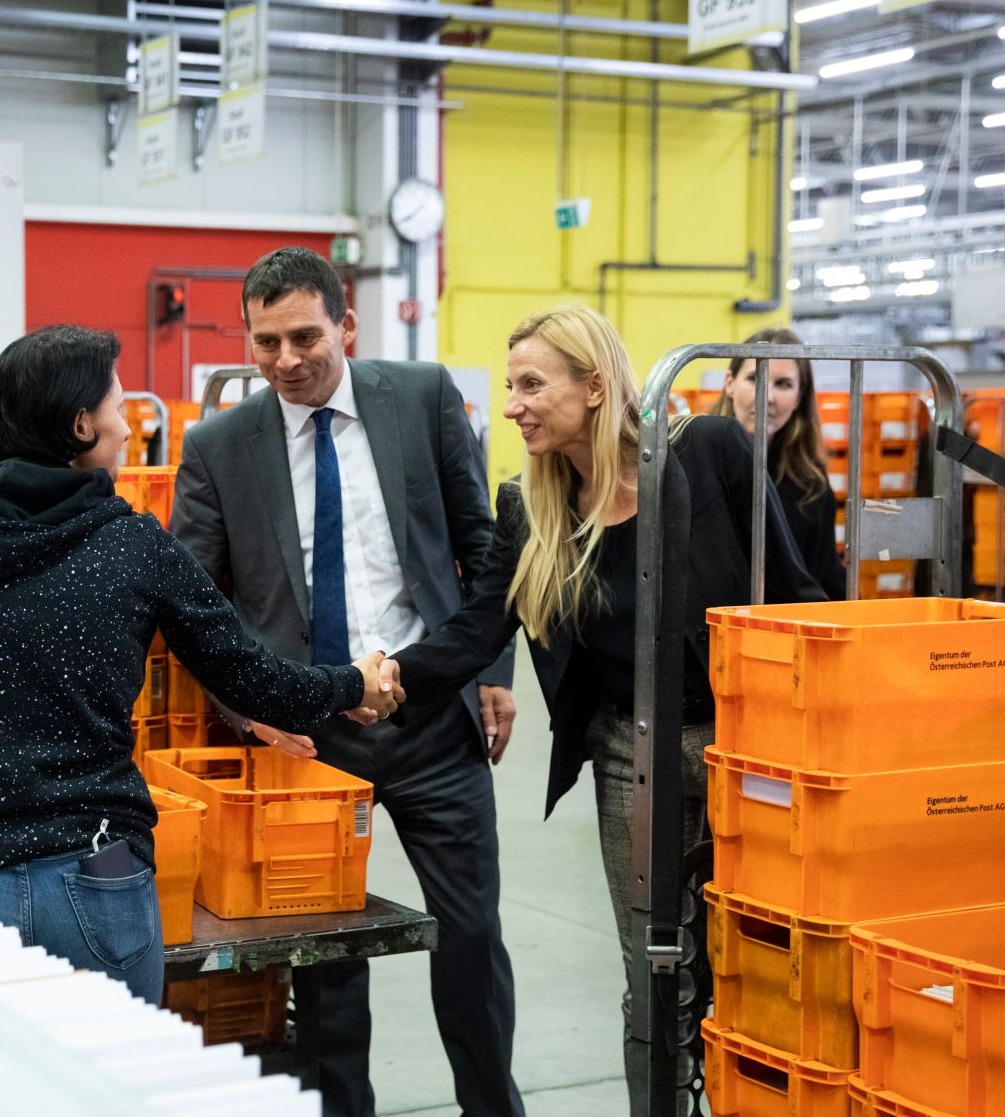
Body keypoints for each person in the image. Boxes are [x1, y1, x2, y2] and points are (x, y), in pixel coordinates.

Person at [381, 305, 825, 1115]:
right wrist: (372, 681)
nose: (512, 404)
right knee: (654, 973)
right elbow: (476, 627)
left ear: (593, 386)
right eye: (510, 384)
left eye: (530, 384)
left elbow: (798, 594)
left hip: (749, 746)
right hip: (633, 752)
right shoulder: (531, 505)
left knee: (765, 963)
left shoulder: (710, 452)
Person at [0, 324, 402, 1005]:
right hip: (90, 878)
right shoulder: (130, 543)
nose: (130, 430)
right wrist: (352, 682)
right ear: (79, 426)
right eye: (119, 410)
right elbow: (254, 679)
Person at [171, 247, 525, 1117]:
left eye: (303, 336)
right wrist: (250, 712)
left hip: (434, 715)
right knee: (328, 960)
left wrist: (489, 670)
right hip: (307, 733)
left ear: (347, 326)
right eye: (264, 342)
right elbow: (192, 603)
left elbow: (481, 547)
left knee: (472, 936)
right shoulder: (219, 447)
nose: (285, 360)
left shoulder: (422, 396)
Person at [712, 327, 845, 600]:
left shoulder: (811, 485)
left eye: (783, 384)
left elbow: (825, 575)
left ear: (799, 397)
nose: (767, 396)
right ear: (729, 383)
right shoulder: (696, 466)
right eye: (754, 378)